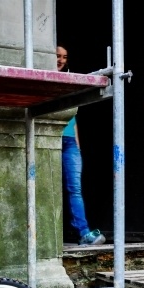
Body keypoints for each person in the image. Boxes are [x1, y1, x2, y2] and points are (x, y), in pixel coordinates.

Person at [57, 45, 106, 246]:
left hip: (69, 143)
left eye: (64, 57)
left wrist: (77, 145)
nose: (61, 60)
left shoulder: (68, 80)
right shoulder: (44, 77)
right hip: (49, 138)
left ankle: (83, 233)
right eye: (57, 56)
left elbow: (73, 118)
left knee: (74, 189)